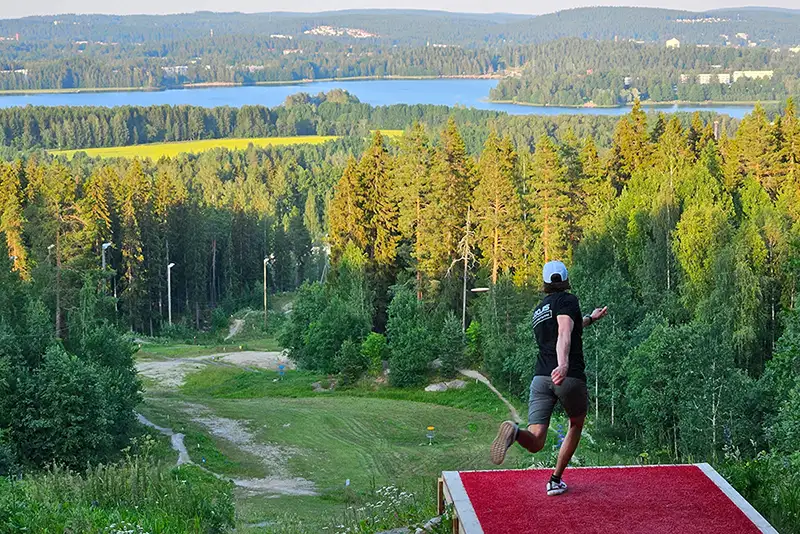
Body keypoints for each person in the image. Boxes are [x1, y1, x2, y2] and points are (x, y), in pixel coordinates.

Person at [489, 260, 608, 496]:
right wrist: (563, 365)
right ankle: (555, 480)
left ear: (545, 282)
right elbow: (564, 331)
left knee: (536, 441)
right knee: (576, 423)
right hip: (567, 376)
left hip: (540, 378)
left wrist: (591, 318)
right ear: (565, 279)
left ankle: (514, 432)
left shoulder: (539, 310)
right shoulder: (568, 300)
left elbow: (571, 325)